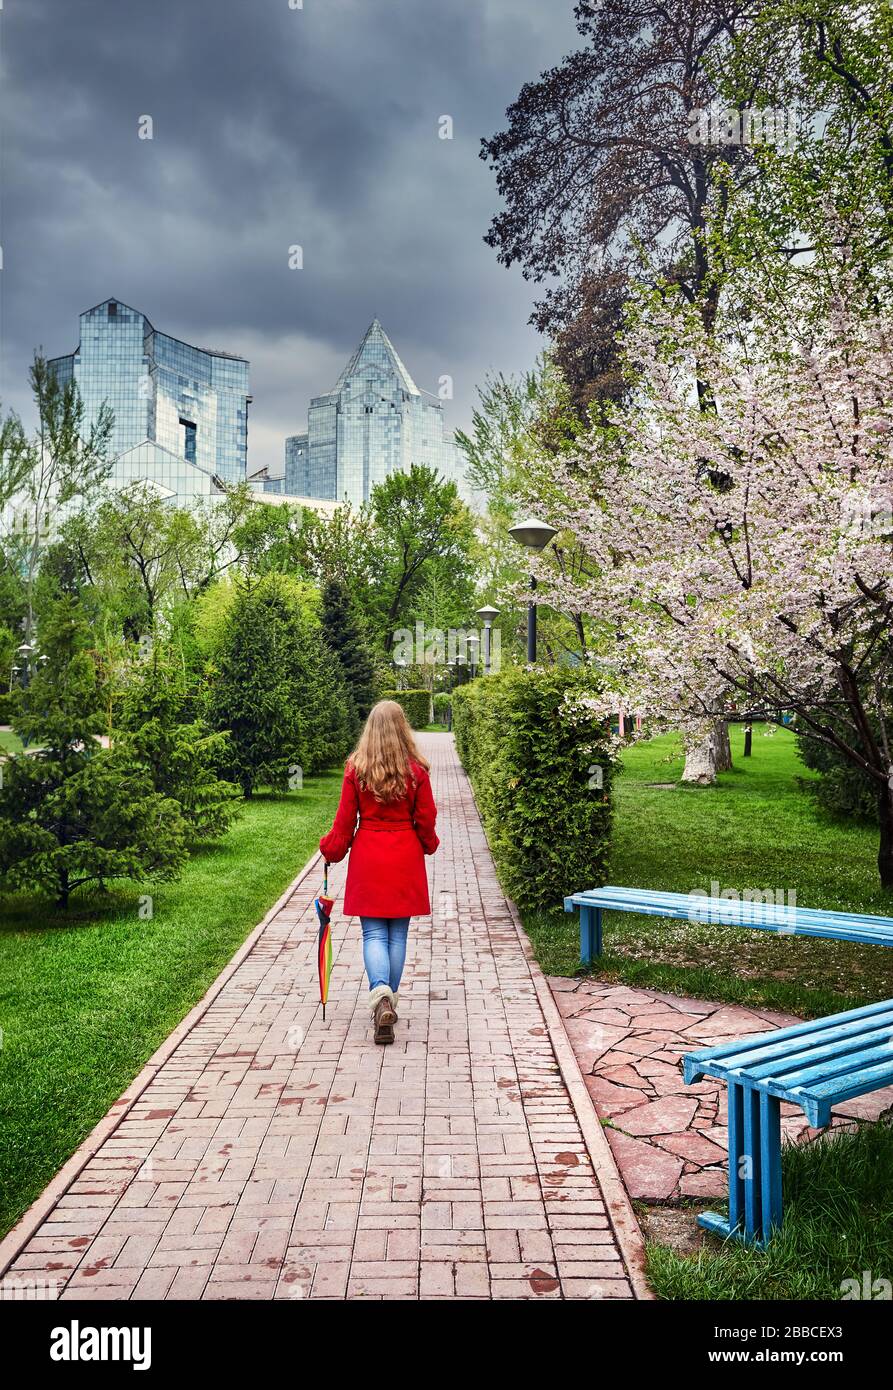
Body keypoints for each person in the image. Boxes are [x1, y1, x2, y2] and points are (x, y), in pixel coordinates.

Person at [319, 700, 439, 1044]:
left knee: (373, 935)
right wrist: (428, 844)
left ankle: (380, 995)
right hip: (404, 856)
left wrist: (331, 849)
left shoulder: (356, 769)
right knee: (398, 936)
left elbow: (344, 823)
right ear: (403, 729)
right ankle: (387, 1000)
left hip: (369, 855)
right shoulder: (416, 771)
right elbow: (426, 819)